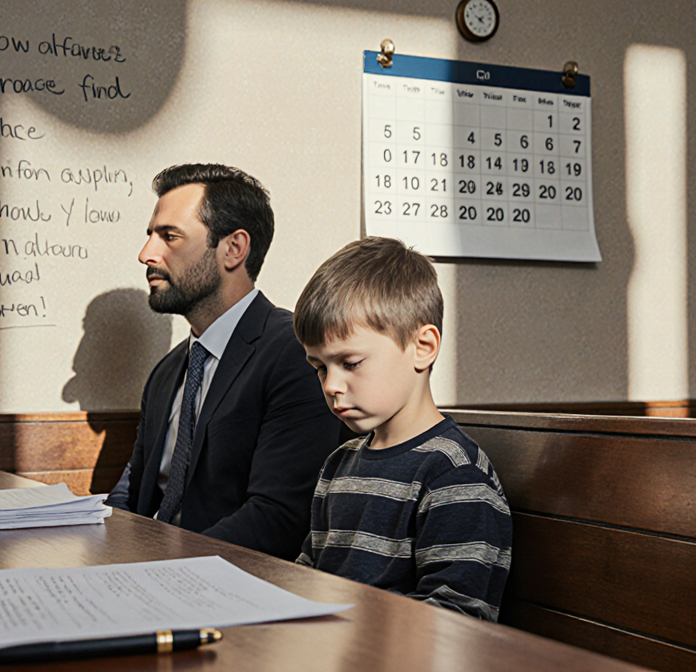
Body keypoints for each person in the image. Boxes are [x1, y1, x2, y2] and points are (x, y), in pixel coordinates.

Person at [105, 163, 344, 559]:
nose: (146, 254)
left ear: (234, 248)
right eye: (150, 236)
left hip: (236, 588)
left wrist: (161, 563)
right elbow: (131, 494)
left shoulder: (295, 354)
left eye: (170, 236)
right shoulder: (166, 373)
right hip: (149, 576)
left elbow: (278, 518)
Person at [292, 237, 512, 621]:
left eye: (351, 362)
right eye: (320, 368)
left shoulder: (455, 475)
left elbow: (455, 620)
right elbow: (309, 576)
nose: (330, 385)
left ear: (422, 346)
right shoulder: (338, 464)